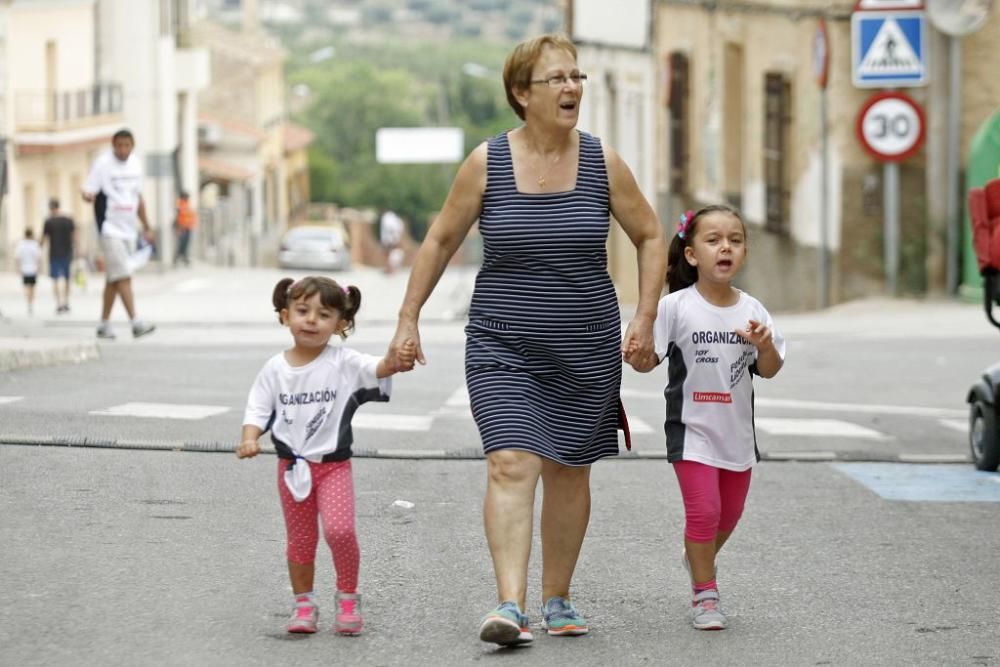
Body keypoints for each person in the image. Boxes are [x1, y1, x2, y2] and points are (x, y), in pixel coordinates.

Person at [386, 33, 666, 646]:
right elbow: (438, 241)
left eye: (576, 78)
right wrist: (408, 317)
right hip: (502, 343)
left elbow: (650, 235)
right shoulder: (487, 162)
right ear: (521, 93)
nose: (571, 89)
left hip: (586, 343)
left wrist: (644, 317)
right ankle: (509, 604)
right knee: (511, 462)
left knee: (569, 469)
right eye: (556, 79)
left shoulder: (602, 162)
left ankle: (556, 596)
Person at [631, 205, 785, 631]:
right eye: (714, 239)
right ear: (692, 254)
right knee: (704, 513)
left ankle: (696, 556)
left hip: (736, 435)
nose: (726, 247)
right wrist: (637, 355)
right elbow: (648, 360)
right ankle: (705, 593)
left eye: (735, 240)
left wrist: (765, 345)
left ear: (744, 253)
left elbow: (769, 369)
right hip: (691, 432)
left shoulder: (753, 310)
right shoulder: (676, 307)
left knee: (729, 516)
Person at [236, 276, 416, 636]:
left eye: (324, 314)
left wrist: (398, 359)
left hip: (334, 467)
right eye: (302, 311)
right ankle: (304, 603)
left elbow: (378, 368)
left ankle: (347, 597)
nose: (311, 321)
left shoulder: (343, 362)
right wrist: (249, 438)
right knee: (300, 540)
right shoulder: (274, 369)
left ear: (341, 323)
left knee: (340, 531)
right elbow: (257, 408)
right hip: (292, 469)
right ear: (285, 315)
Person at [81, 128, 156, 339]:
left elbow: (138, 199)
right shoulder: (102, 164)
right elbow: (89, 190)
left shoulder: (136, 164)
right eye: (119, 146)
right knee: (123, 273)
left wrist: (148, 226)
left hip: (129, 229)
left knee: (114, 278)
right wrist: (88, 196)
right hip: (109, 228)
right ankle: (135, 322)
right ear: (113, 146)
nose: (123, 150)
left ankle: (104, 324)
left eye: (127, 145)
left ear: (133, 146)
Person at [41, 198, 76, 313]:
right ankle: (66, 302)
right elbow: (74, 235)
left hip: (54, 253)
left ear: (50, 208)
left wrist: (39, 247)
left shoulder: (48, 221)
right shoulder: (68, 220)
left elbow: (44, 238)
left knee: (55, 279)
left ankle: (58, 303)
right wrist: (77, 249)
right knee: (67, 279)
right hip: (67, 252)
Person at [14, 228, 42, 316]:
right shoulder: (35, 244)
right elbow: (38, 257)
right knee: (32, 288)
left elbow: (17, 257)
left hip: (24, 269)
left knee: (26, 287)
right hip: (33, 269)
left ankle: (28, 302)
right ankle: (31, 302)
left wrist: (18, 268)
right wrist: (39, 267)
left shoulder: (21, 244)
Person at [173, 191, 197, 266]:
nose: (188, 198)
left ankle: (184, 258)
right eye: (186, 197)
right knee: (182, 243)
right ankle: (177, 258)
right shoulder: (180, 204)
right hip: (182, 227)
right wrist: (178, 228)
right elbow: (178, 217)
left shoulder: (186, 204)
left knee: (186, 243)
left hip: (188, 227)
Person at [379, 209, 404, 274]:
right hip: (391, 239)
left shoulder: (387, 217)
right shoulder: (395, 219)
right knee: (388, 254)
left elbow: (390, 228)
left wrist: (392, 238)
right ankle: (389, 269)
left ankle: (389, 269)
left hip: (388, 239)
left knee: (388, 254)